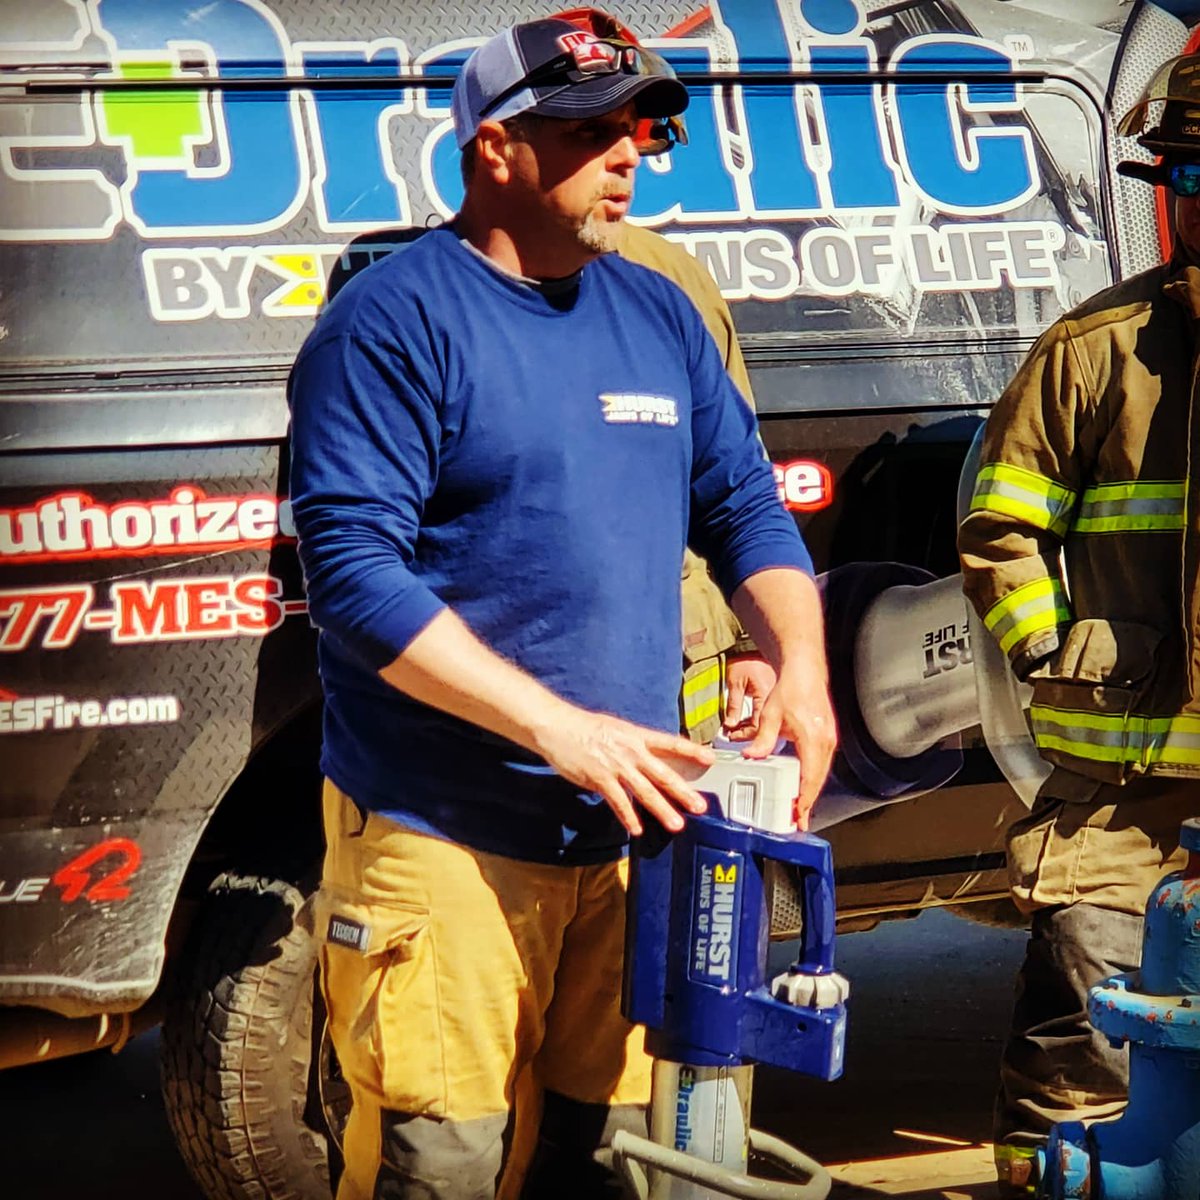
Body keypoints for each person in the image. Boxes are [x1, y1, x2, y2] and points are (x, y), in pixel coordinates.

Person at [288, 17, 836, 1200]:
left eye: (635, 126)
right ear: (494, 148)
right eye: (591, 130)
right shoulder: (392, 325)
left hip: (635, 838)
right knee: (443, 1167)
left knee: (611, 1160)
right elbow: (353, 578)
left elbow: (743, 505)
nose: (629, 152)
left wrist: (799, 660)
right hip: (443, 838)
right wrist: (559, 729)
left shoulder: (656, 314)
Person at [958, 55, 1200, 1197]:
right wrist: (1058, 655)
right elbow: (1002, 525)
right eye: (1187, 174)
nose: (1196, 200)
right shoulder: (1099, 348)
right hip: (1122, 796)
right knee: (1087, 1045)